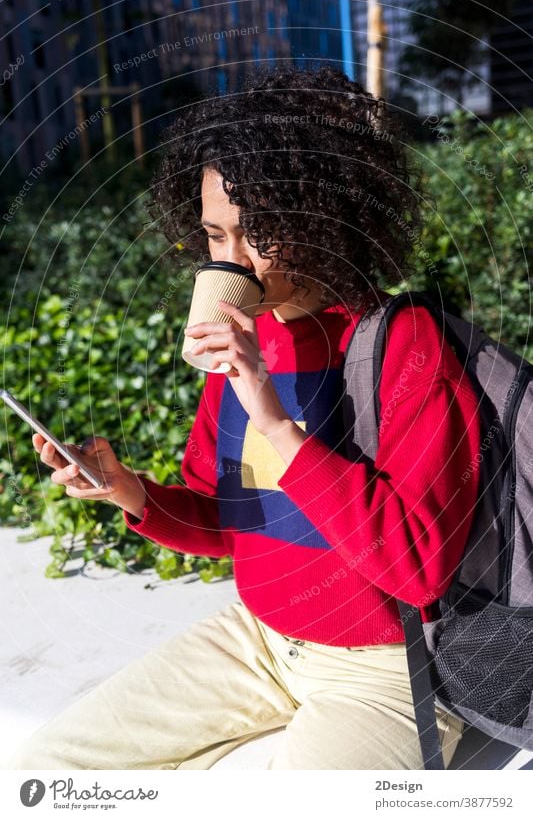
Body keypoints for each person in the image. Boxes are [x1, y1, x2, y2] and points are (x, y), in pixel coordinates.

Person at [8, 65, 482, 770]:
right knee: (45, 769)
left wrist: (272, 416)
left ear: (326, 217)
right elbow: (228, 520)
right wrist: (131, 492)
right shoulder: (246, 344)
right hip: (258, 639)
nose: (228, 261)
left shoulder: (406, 344)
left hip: (387, 670)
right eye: (212, 235)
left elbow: (416, 568)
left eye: (255, 233)